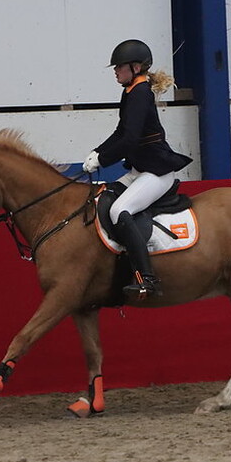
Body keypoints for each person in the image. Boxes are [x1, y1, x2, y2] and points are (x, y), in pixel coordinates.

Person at [82, 39, 193, 299]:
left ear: (135, 67)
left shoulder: (141, 92)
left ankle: (148, 279)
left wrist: (103, 159)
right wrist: (97, 152)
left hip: (156, 173)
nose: (115, 71)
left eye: (119, 66)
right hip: (139, 170)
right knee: (104, 197)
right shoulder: (131, 91)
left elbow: (130, 140)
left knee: (120, 210)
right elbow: (120, 132)